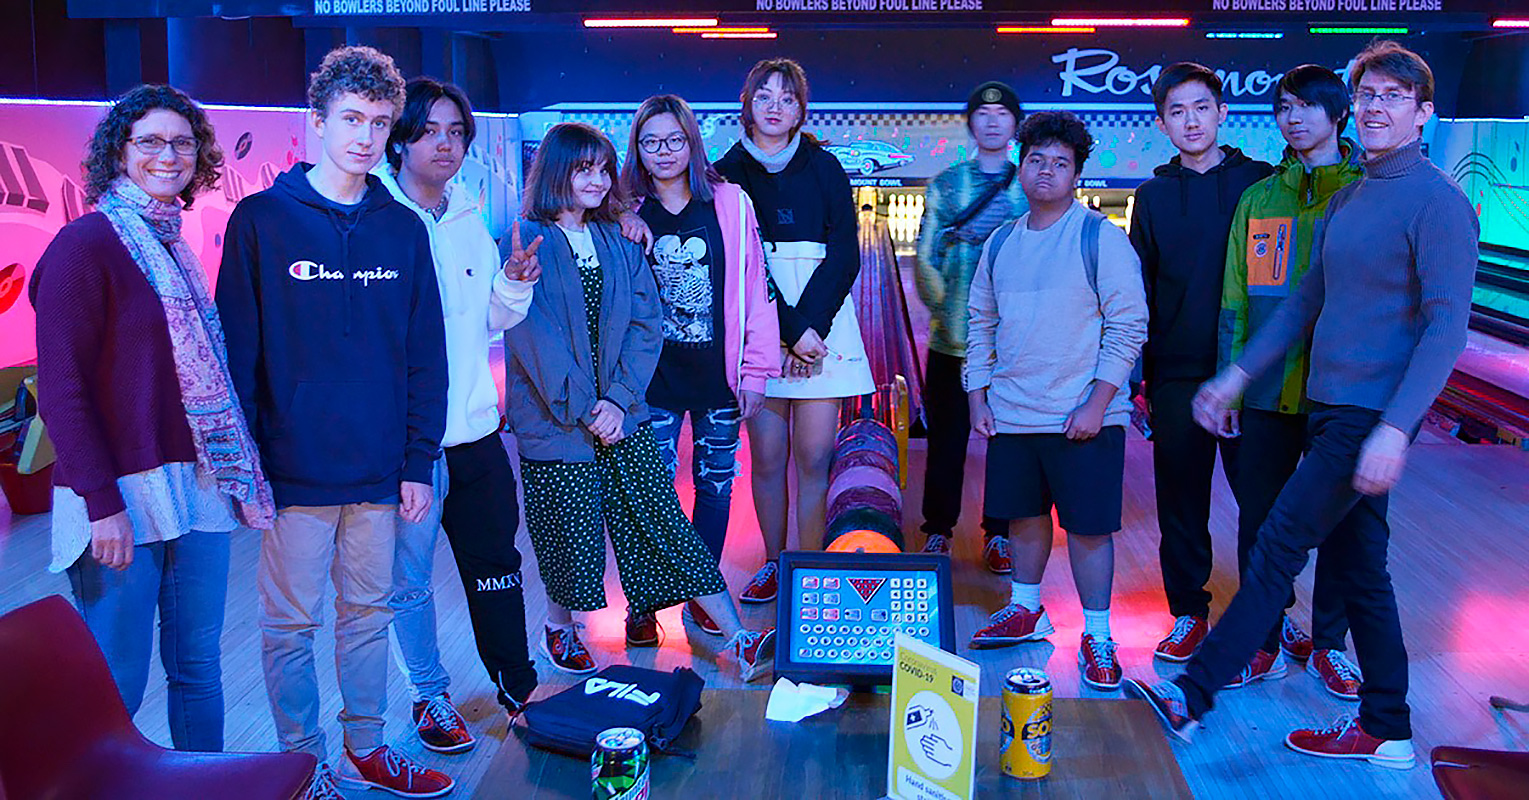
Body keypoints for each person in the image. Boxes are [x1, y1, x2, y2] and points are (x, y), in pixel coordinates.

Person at [1127, 41, 1479, 771]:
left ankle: (1192, 694)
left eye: (1393, 96)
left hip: (1366, 415)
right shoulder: (1351, 198)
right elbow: (1300, 305)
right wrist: (1234, 376)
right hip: (1326, 406)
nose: (1376, 107)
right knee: (1362, 570)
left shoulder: (1438, 202)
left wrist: (1394, 428)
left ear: (1423, 112)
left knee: (1277, 543)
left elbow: (1446, 328)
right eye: (1368, 94)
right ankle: (1387, 728)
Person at [216, 46, 453, 799]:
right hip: (292, 473)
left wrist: (418, 460)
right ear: (317, 122)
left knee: (367, 617)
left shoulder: (402, 229)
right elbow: (237, 355)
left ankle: (366, 749)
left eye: (379, 122)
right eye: (351, 119)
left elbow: (426, 355)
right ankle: (301, 763)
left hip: (381, 470)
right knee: (290, 626)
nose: (365, 136)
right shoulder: (261, 221)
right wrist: (245, 468)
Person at [31, 83, 273, 753]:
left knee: (198, 669)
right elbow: (62, 392)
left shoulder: (173, 246)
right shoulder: (85, 245)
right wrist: (101, 504)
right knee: (117, 685)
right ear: (119, 152)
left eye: (182, 143)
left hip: (197, 488)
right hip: (120, 496)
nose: (168, 155)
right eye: (150, 142)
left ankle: (202, 788)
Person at [503, 121, 776, 681]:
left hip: (621, 412)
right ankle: (559, 626)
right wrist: (588, 407)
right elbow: (534, 335)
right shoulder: (527, 238)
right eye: (584, 169)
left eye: (605, 170)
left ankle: (739, 638)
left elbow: (646, 324)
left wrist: (620, 400)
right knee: (568, 530)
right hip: (557, 418)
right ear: (556, 172)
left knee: (662, 518)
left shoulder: (617, 237)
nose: (598, 180)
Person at [379, 77, 541, 754]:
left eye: (455, 132)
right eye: (428, 131)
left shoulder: (468, 216)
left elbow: (489, 323)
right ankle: (429, 694)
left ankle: (518, 688)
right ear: (398, 141)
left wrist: (513, 283)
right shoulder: (376, 220)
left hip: (475, 434)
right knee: (408, 584)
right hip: (406, 447)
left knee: (497, 566)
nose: (444, 144)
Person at [964, 111, 1148, 692]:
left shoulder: (1100, 238)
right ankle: (1026, 608)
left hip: (1084, 415)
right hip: (1014, 411)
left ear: (1076, 174)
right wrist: (977, 394)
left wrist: (1098, 402)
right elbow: (980, 323)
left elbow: (1129, 325)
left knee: (1089, 529)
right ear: (1022, 166)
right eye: (1037, 160)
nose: (1046, 171)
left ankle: (1098, 633)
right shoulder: (1000, 243)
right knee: (1023, 517)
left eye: (1060, 163)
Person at [1218, 64, 1362, 699]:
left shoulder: (1365, 192)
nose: (1293, 117)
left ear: (1338, 114)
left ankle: (1330, 644)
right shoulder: (1259, 199)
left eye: (1307, 106)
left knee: (1344, 526)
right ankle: (1265, 640)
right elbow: (1236, 300)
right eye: (1283, 107)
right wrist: (1232, 381)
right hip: (1269, 392)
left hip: (1341, 393)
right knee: (1259, 521)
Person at [619, 94, 780, 646]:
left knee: (714, 488)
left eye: (674, 140)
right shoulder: (626, 211)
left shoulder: (730, 203)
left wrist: (756, 371)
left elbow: (757, 289)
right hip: (651, 381)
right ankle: (643, 603)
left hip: (718, 378)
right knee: (651, 493)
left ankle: (703, 593)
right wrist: (621, 215)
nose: (664, 151)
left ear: (692, 143)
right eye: (651, 141)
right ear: (637, 148)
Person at [1128, 62, 1274, 663]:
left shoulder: (1260, 182)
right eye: (1177, 112)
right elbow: (1140, 288)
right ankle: (1189, 611)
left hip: (1253, 373)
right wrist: (1138, 377)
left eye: (1201, 108)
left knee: (1262, 503)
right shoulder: (1153, 197)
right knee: (1181, 501)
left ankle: (1270, 613)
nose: (1190, 121)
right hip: (1179, 373)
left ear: (1222, 113)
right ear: (1162, 123)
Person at [714, 58, 874, 604]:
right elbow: (741, 264)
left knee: (813, 458)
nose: (775, 106)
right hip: (760, 325)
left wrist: (809, 331)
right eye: (765, 96)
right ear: (747, 104)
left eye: (787, 98)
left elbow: (845, 255)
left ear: (802, 109)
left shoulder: (825, 166)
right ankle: (774, 562)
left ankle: (811, 567)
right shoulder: (726, 173)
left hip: (821, 329)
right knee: (767, 458)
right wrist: (786, 331)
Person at [913, 80, 1030, 573]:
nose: (992, 121)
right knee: (947, 441)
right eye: (983, 114)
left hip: (1014, 344)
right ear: (971, 123)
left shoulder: (1031, 186)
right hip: (952, 343)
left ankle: (998, 533)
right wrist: (946, 312)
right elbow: (925, 257)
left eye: (1002, 114)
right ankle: (938, 529)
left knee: (1007, 444)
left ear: (1015, 124)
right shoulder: (945, 185)